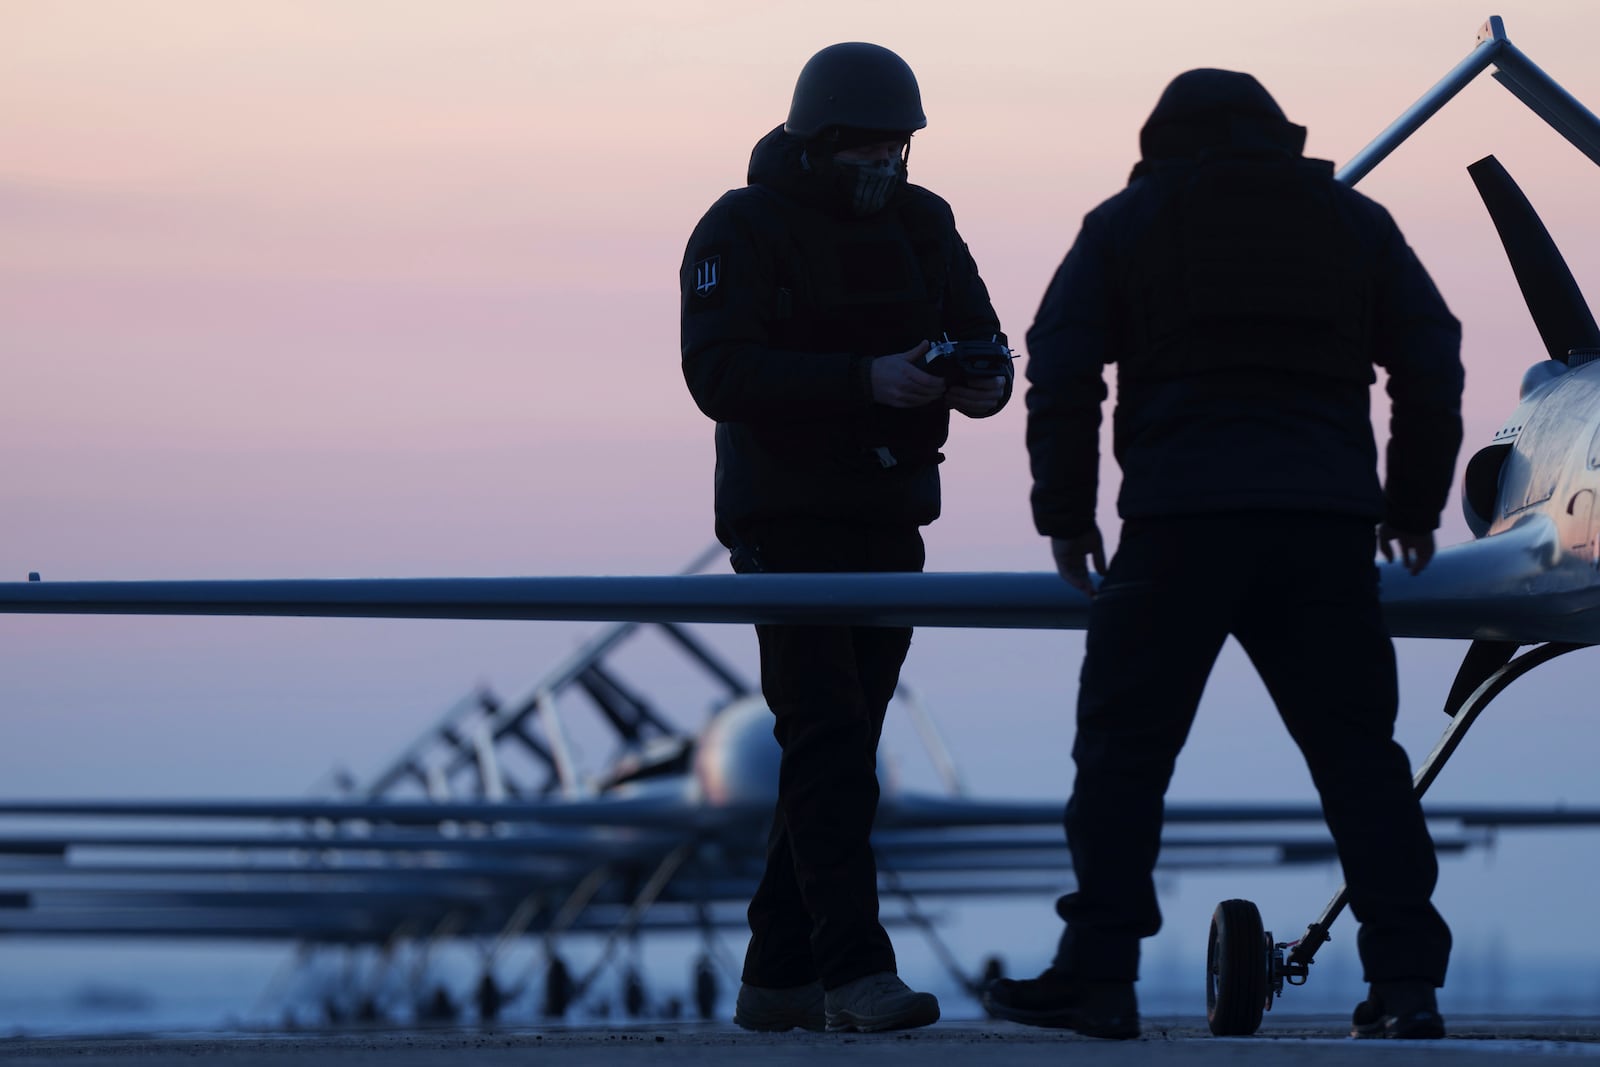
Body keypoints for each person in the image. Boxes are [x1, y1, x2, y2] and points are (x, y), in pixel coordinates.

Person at [982, 69, 1463, 1040]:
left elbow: (1061, 364)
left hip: (1177, 522)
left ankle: (1101, 976)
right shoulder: (1353, 222)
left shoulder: (1128, 220)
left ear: (1162, 140)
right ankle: (1406, 981)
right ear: (1273, 134)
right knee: (1359, 762)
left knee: (1122, 757)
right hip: (1323, 528)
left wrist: (1065, 516)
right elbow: (1431, 353)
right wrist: (1411, 503)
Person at [679, 41, 1011, 1033]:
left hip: (888, 512)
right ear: (817, 143)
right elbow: (717, 374)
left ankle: (775, 973)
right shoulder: (738, 229)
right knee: (825, 736)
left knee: (842, 743)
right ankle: (854, 970)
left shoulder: (925, 224)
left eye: (895, 151)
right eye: (866, 151)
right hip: (784, 521)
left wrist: (979, 380)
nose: (883, 168)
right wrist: (860, 379)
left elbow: (983, 335)